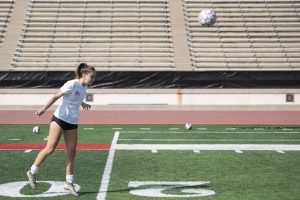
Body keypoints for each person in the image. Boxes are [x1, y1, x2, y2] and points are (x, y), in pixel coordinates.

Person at [26, 63, 96, 196]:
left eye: (94, 77)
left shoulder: (84, 86)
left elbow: (76, 97)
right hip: (59, 119)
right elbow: (55, 96)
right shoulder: (71, 84)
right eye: (92, 77)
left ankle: (69, 182)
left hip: (72, 122)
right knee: (50, 148)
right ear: (84, 75)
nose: (93, 79)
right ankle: (32, 171)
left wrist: (83, 103)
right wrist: (43, 109)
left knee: (72, 151)